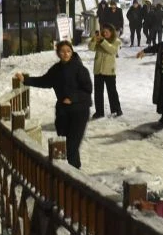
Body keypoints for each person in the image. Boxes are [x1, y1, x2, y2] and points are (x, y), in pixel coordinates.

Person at [13, 40, 93, 168]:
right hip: (63, 112)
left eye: (68, 51)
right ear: (58, 53)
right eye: (62, 51)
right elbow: (45, 81)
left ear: (72, 52)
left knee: (72, 146)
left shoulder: (80, 69)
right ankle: (71, 170)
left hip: (79, 111)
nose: (66, 54)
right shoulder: (56, 69)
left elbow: (88, 90)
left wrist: (73, 98)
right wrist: (26, 80)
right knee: (63, 143)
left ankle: (74, 173)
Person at [88, 24, 123, 119]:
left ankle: (117, 110)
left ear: (112, 32)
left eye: (107, 32)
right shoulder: (99, 41)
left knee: (112, 91)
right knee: (98, 92)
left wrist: (103, 41)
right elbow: (90, 48)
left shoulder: (116, 41)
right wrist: (94, 39)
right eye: (104, 32)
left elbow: (113, 51)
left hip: (109, 71)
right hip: (98, 69)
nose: (105, 33)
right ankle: (99, 112)